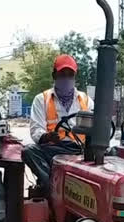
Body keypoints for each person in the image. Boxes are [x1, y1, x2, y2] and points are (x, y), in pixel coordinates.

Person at [23, 54, 94, 194]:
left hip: (79, 150)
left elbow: (94, 127)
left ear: (75, 76)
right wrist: (47, 137)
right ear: (54, 75)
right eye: (62, 74)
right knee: (28, 151)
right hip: (53, 149)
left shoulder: (85, 100)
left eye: (70, 74)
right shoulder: (41, 99)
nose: (66, 78)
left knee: (111, 155)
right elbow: (36, 129)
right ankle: (51, 185)